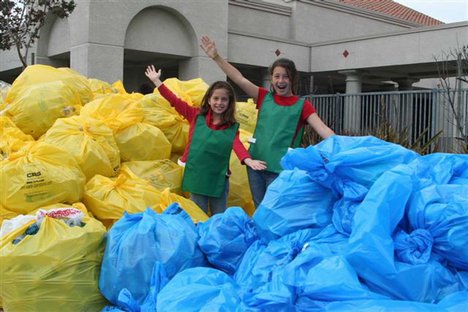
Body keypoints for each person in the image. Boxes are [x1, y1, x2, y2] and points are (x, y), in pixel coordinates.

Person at [200, 35, 335, 207]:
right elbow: (239, 78)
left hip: (280, 170)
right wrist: (216, 57)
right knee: (259, 208)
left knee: (271, 210)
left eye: (285, 76)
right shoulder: (264, 97)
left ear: (292, 79)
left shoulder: (303, 106)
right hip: (256, 166)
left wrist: (342, 146)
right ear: (271, 78)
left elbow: (322, 129)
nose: (280, 81)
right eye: (276, 76)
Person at [145, 65, 266, 215]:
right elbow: (174, 101)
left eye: (224, 99)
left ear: (229, 103)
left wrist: (248, 160)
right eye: (216, 98)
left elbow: (238, 146)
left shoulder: (231, 126)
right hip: (197, 176)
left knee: (218, 217)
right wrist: (157, 81)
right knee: (198, 216)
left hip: (219, 179)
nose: (219, 103)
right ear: (208, 100)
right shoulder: (196, 116)